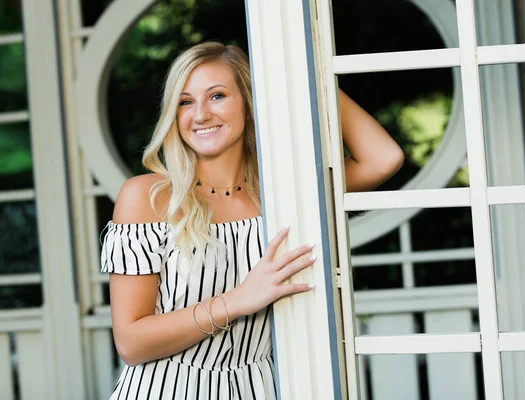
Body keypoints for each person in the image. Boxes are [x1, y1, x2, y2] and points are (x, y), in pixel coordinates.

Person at [101, 41, 403, 400]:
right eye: (185, 101)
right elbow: (131, 343)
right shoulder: (148, 197)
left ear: (249, 100)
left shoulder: (283, 193)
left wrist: (305, 72)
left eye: (216, 96)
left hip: (259, 389)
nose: (199, 115)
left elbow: (383, 158)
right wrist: (237, 300)